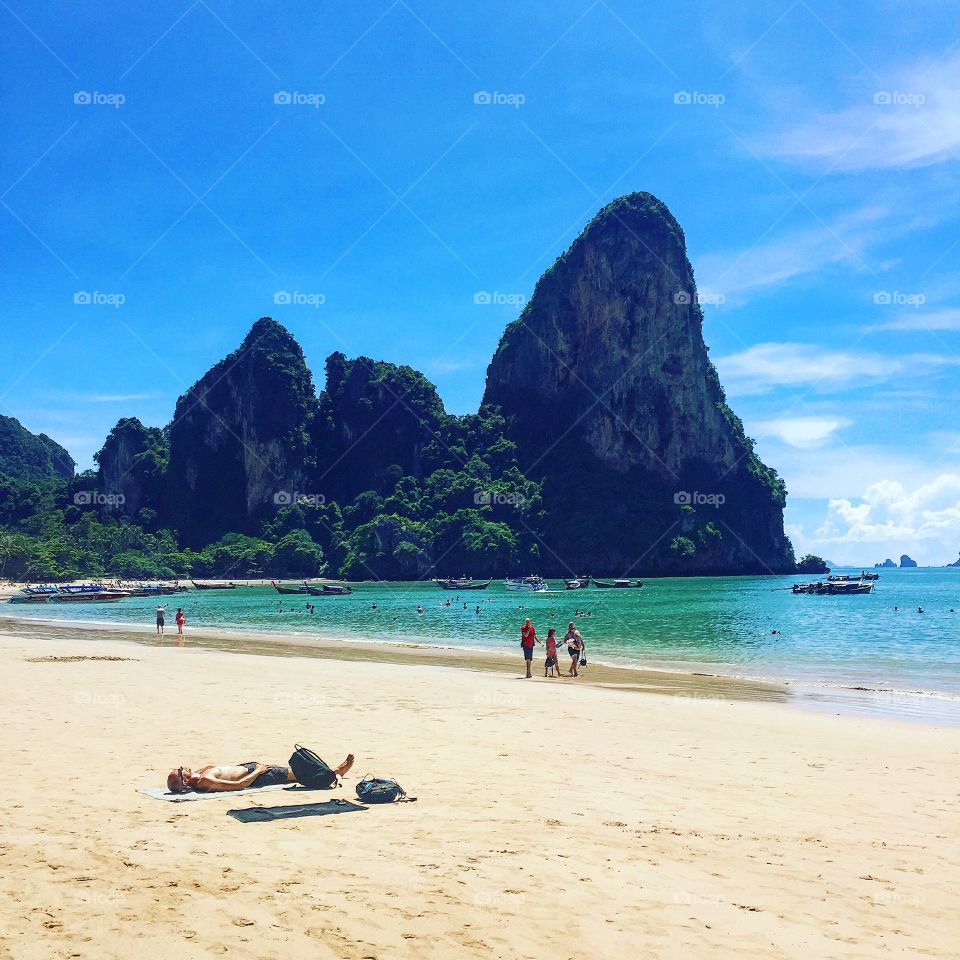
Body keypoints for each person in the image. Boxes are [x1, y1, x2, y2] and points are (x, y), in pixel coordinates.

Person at [166, 753, 355, 794]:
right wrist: (257, 771)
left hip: (248, 768)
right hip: (255, 776)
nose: (183, 766)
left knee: (293, 772)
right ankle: (335, 773)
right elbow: (238, 785)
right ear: (184, 780)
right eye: (181, 770)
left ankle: (334, 773)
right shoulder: (204, 782)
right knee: (296, 773)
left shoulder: (199, 775)